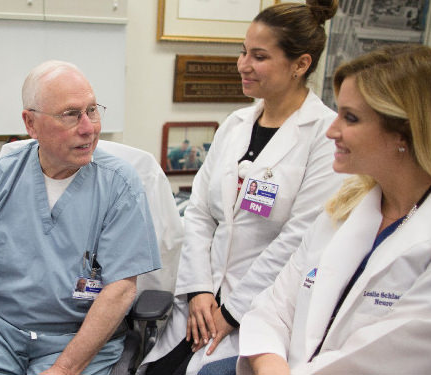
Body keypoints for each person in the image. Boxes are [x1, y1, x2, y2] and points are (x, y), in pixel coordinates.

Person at [236, 44, 431, 375]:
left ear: (405, 133)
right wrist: (271, 366)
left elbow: (389, 362)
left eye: (350, 118)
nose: (331, 130)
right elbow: (271, 310)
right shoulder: (346, 208)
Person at [139, 1, 345, 374]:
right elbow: (200, 211)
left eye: (260, 56)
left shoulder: (324, 136)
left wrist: (233, 311)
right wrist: (199, 288)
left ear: (301, 64)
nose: (243, 65)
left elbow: (300, 237)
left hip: (260, 311)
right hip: (201, 303)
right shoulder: (235, 124)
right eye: (243, 51)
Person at [0, 60, 161, 375]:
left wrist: (64, 369)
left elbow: (120, 289)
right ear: (31, 124)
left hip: (77, 341)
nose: (89, 128)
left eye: (92, 110)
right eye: (71, 115)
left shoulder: (118, 184)